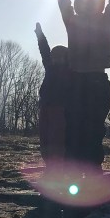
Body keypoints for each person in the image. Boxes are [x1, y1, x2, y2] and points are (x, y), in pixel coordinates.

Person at [56, 0, 110, 168]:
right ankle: (72, 167)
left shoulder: (106, 20)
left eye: (94, 2)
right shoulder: (71, 21)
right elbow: (63, 0)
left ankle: (93, 166)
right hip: (75, 80)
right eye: (84, 1)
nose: (88, 5)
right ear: (77, 5)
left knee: (94, 126)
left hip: (97, 80)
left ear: (100, 6)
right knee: (73, 125)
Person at [34, 22, 71, 170]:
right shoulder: (49, 67)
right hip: (45, 106)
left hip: (60, 108)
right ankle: (49, 164)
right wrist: (40, 35)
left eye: (60, 56)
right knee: (44, 137)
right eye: (54, 56)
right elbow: (44, 50)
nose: (56, 59)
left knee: (57, 137)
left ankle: (58, 165)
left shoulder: (70, 71)